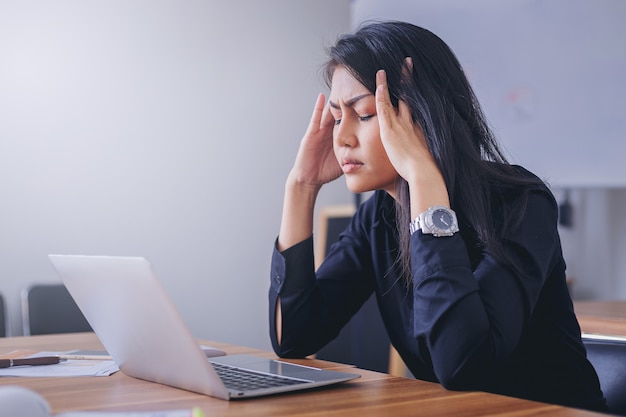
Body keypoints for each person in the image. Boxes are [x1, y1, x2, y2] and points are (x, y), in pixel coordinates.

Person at [268, 21, 607, 412]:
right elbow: (293, 335)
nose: (342, 136)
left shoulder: (521, 203)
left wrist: (424, 178)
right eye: (336, 116)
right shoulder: (379, 215)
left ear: (422, 115)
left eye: (362, 114)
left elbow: (462, 363)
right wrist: (301, 186)